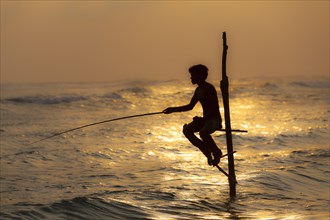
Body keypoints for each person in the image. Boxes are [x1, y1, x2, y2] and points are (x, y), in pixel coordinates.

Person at [163, 64, 223, 166]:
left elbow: (214, 109)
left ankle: (216, 152)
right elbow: (189, 107)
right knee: (187, 130)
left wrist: (202, 119)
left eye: (193, 75)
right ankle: (206, 150)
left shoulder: (209, 88)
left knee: (203, 133)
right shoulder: (198, 90)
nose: (191, 77)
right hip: (205, 120)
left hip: (214, 120)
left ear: (200, 76)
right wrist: (172, 109)